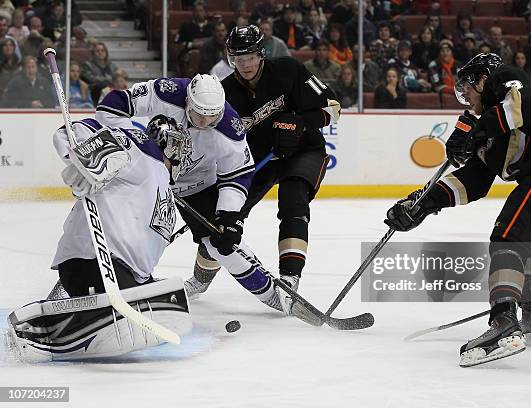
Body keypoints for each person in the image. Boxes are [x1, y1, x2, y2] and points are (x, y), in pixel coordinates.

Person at [384, 53, 531, 367]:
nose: (466, 97)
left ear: (483, 79)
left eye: (467, 88)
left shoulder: (504, 81)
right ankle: (528, 307)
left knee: (508, 239)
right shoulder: (491, 130)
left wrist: (474, 131)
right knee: (519, 237)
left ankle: (503, 323)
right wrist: (423, 203)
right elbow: (473, 182)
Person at [95, 74, 290, 312]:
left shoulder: (230, 126)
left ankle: (274, 294)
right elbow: (112, 106)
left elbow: (237, 173)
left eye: (212, 115)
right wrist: (132, 142)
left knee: (223, 244)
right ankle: (95, 279)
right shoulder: (167, 92)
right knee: (124, 231)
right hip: (150, 175)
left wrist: (228, 216)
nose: (206, 121)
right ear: (188, 102)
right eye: (200, 114)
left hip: (198, 185)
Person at [8, 117, 193, 361]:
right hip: (96, 263)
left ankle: (75, 308)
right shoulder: (143, 151)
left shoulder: (160, 183)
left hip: (122, 275)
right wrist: (89, 161)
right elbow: (75, 131)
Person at [194, 25, 339, 301]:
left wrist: (300, 124)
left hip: (304, 150)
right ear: (230, 58)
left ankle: (289, 280)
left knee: (293, 200)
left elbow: (334, 108)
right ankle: (199, 281)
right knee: (223, 219)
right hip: (258, 161)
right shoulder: (224, 95)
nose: (245, 64)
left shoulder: (289, 70)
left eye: (250, 57)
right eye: (238, 58)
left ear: (261, 54)